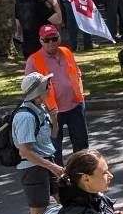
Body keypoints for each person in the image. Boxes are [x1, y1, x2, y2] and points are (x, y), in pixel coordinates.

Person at [13, 72, 66, 214]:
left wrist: (55, 119)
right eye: (47, 84)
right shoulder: (25, 117)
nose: (50, 86)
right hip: (33, 167)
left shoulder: (40, 108)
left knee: (64, 198)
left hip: (46, 161)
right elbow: (24, 152)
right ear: (38, 91)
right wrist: (52, 167)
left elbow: (52, 136)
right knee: (38, 209)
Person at [25, 23, 90, 155]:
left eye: (54, 39)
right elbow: (29, 90)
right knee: (54, 150)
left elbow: (77, 74)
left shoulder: (66, 52)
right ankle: (57, 175)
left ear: (59, 37)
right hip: (51, 112)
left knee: (82, 146)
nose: (51, 43)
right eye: (46, 40)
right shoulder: (33, 60)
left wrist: (81, 98)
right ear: (40, 41)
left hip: (75, 106)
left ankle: (80, 173)